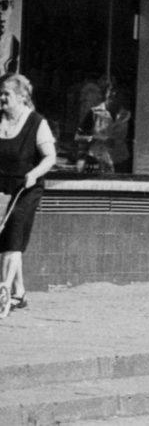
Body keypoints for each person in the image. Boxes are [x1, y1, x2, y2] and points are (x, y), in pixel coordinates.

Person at [0, 73, 57, 315]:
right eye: (0, 93)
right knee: (7, 241)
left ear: (22, 96)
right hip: (2, 187)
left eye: (6, 94)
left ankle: (2, 293)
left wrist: (34, 174)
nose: (1, 98)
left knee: (13, 240)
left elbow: (50, 157)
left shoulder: (36, 123)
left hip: (26, 188)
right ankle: (19, 293)